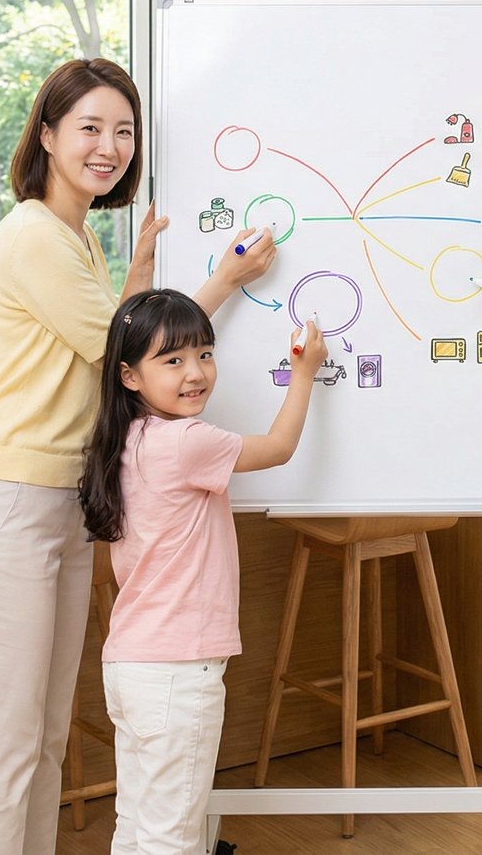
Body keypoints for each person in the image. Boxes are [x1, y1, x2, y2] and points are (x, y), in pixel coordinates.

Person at [0, 57, 274, 855]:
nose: (109, 145)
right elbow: (126, 352)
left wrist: (133, 279)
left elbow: (115, 332)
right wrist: (224, 279)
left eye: (123, 130)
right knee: (12, 732)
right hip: (11, 499)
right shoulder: (33, 234)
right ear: (48, 135)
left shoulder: (76, 235)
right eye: (90, 127)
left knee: (45, 726)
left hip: (57, 501)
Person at [80, 288, 328, 855]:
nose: (195, 373)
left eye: (205, 354)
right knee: (174, 838)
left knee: (137, 824)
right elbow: (281, 448)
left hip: (131, 664)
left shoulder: (126, 437)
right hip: (177, 671)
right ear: (129, 376)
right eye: (173, 361)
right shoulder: (187, 441)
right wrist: (304, 373)